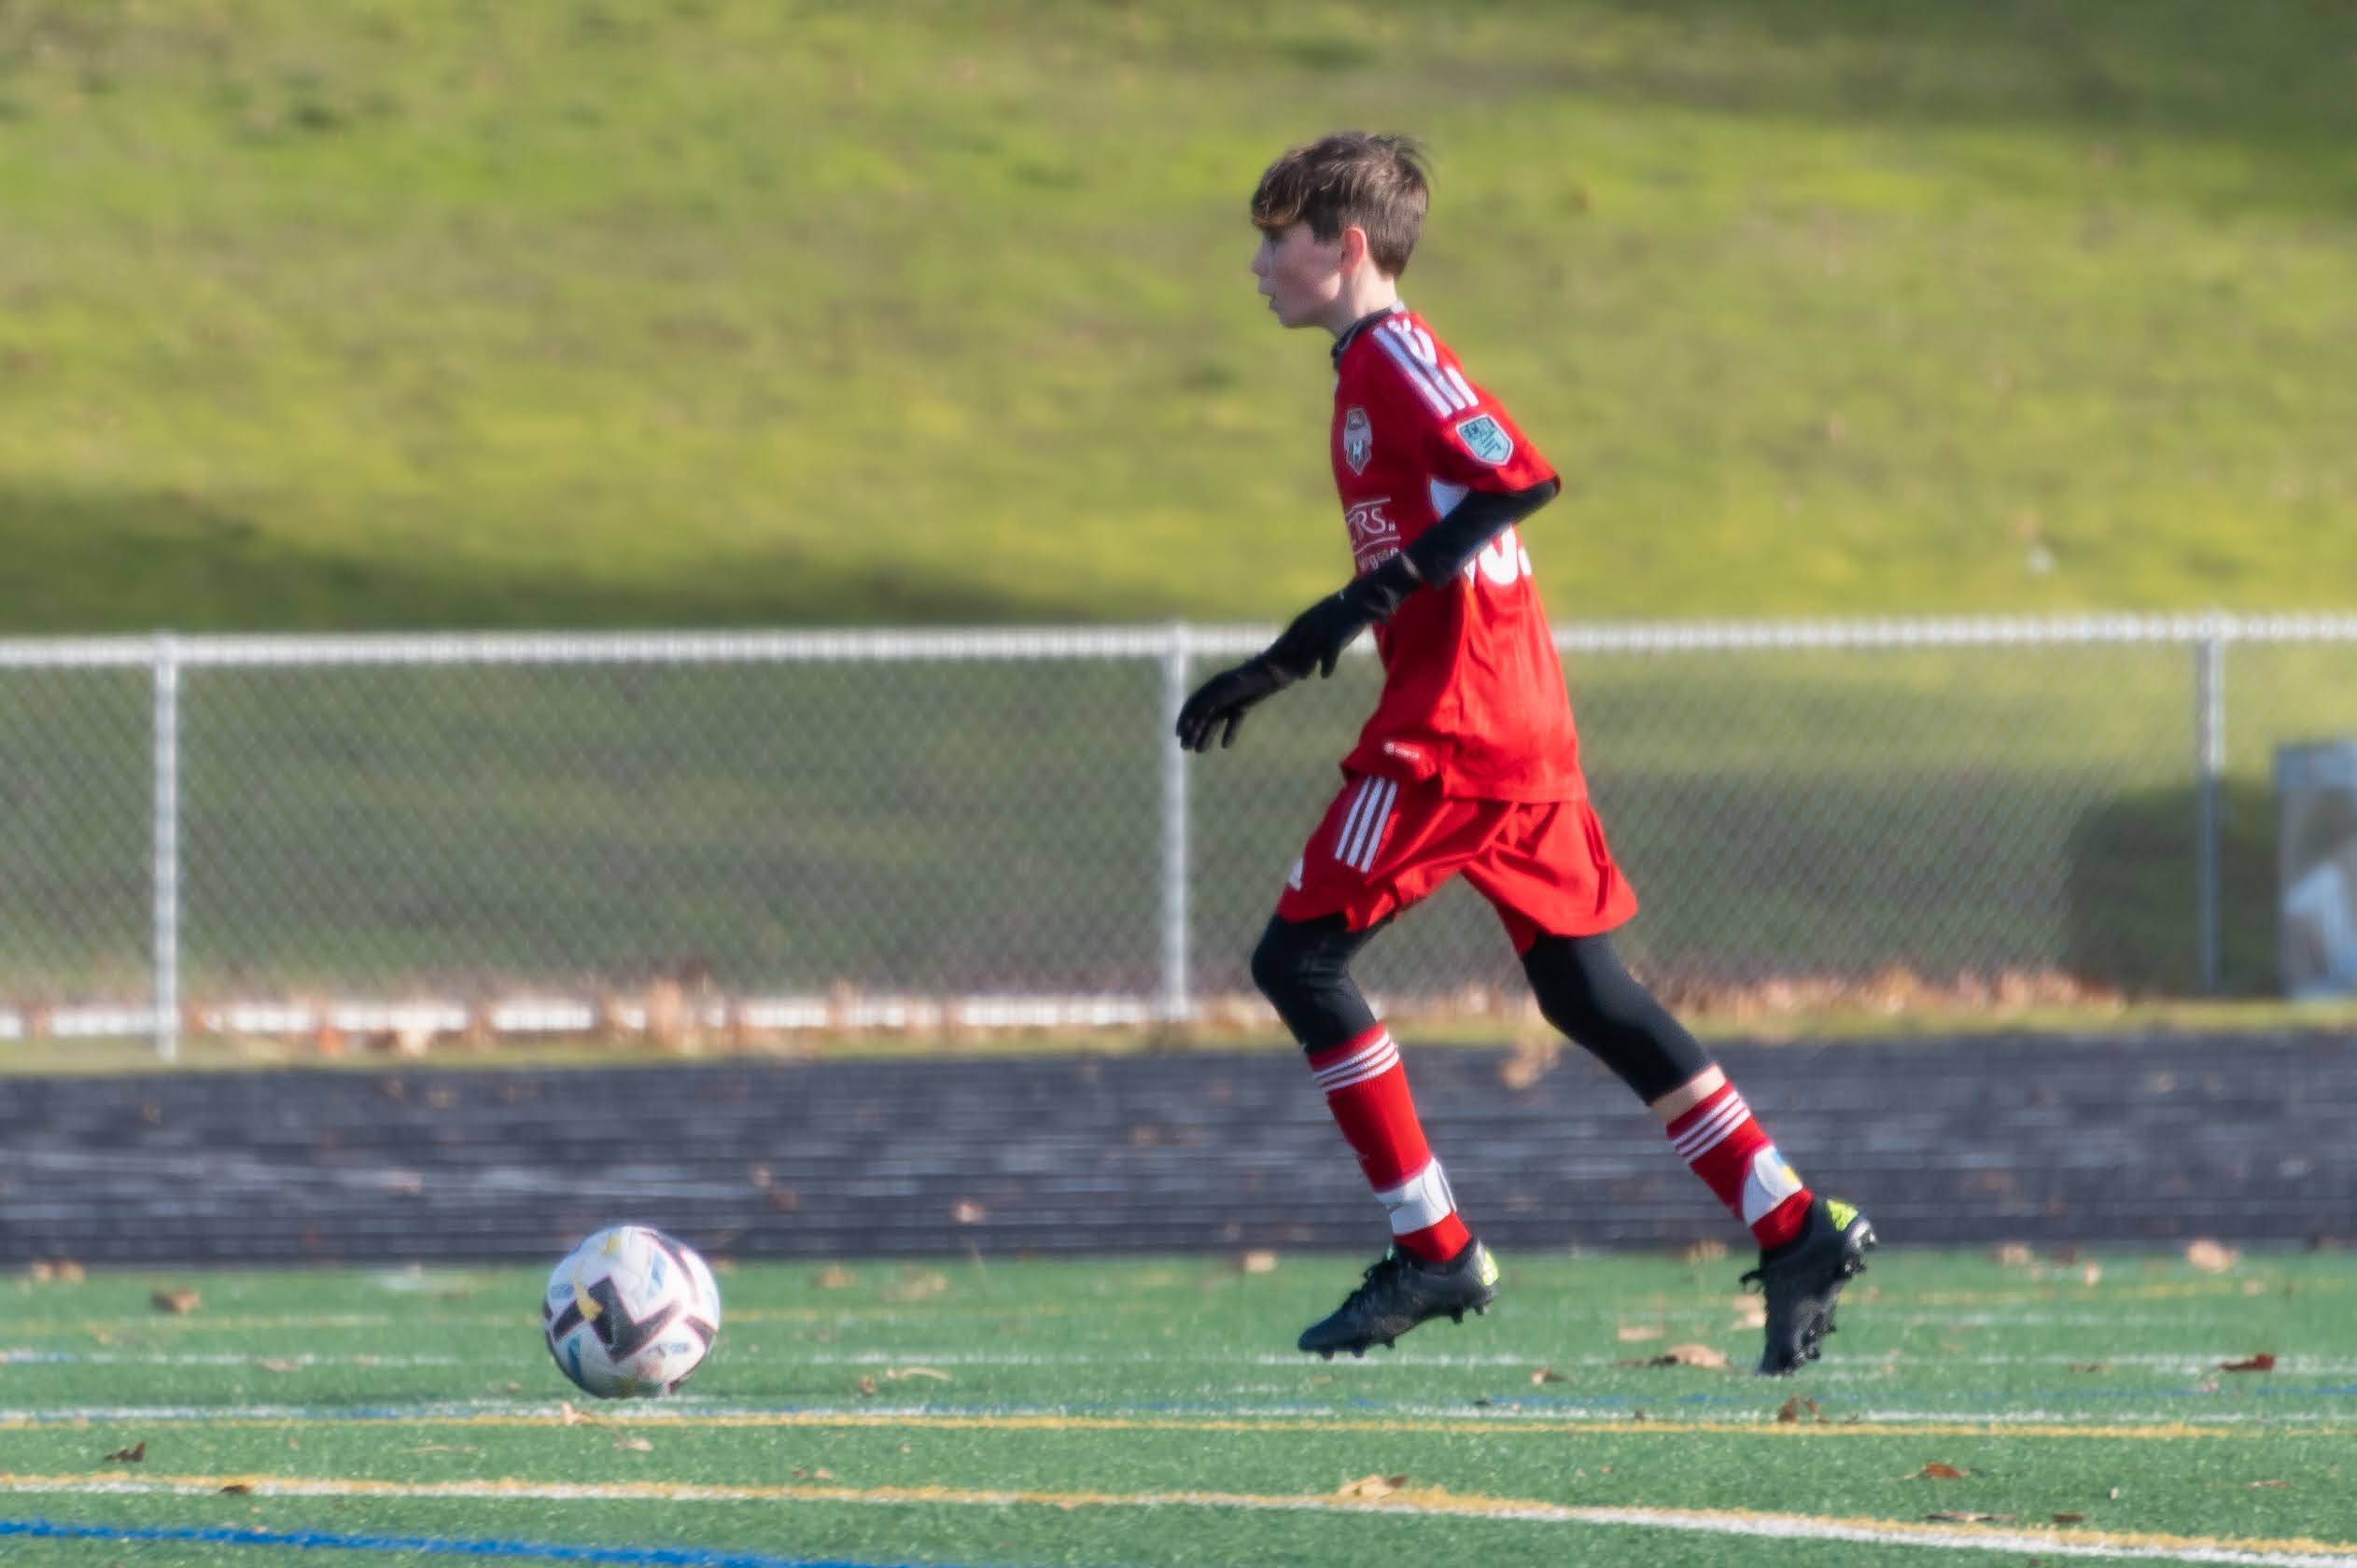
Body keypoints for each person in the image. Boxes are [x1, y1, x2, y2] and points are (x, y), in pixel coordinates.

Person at [1176, 132, 1874, 1376]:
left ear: (1344, 247)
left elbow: (1518, 476)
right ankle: (1792, 1221)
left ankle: (1434, 1246)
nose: (1257, 263)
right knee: (1584, 991)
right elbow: (1447, 529)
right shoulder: (1363, 368)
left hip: (1458, 728)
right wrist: (1301, 652)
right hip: (1513, 714)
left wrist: (1325, 626)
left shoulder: (1392, 353)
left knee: (1300, 958)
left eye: (1275, 238)